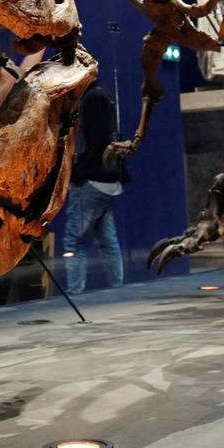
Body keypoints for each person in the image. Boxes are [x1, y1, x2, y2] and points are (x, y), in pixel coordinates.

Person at [63, 81, 126, 294]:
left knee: (74, 240)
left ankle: (75, 291)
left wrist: (77, 176)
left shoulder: (92, 100)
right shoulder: (103, 97)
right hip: (108, 180)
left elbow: (96, 142)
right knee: (108, 239)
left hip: (92, 179)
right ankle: (117, 289)